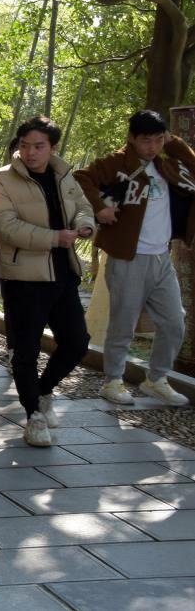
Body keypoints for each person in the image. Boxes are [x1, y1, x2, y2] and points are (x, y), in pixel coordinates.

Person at [76, 109, 195, 407]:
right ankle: (112, 381)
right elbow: (81, 179)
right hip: (128, 257)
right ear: (131, 139)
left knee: (174, 322)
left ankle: (156, 379)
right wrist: (100, 207)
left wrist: (174, 143)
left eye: (158, 139)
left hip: (161, 258)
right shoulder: (117, 163)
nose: (152, 147)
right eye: (145, 141)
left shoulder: (169, 165)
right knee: (123, 323)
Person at [0, 116, 96, 446]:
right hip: (23, 278)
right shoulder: (2, 179)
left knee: (77, 343)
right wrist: (54, 238)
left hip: (63, 274)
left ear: (52, 147)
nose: (31, 153)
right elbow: (7, 226)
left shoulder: (64, 174)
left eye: (38, 146)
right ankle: (33, 415)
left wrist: (85, 225)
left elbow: (82, 206)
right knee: (26, 351)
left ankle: (44, 390)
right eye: (24, 146)